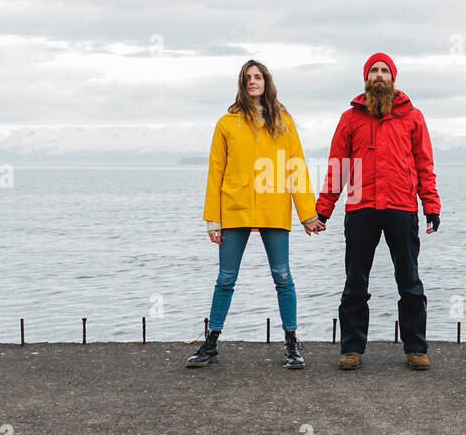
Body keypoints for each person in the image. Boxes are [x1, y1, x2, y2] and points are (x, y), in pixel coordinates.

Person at [188, 60, 325, 369]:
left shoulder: (284, 122)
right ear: (242, 83)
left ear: (266, 82)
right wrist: (213, 219)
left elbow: (296, 167)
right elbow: (216, 172)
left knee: (282, 276)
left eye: (258, 77)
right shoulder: (227, 123)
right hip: (233, 208)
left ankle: (291, 344)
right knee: (225, 278)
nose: (253, 82)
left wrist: (307, 214)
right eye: (248, 78)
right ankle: (211, 344)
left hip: (274, 208)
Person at [315, 52, 441, 370]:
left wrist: (431, 206)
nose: (379, 75)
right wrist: (323, 210)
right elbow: (337, 168)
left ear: (393, 78)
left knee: (409, 282)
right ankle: (352, 349)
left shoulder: (413, 117)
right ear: (366, 79)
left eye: (385, 70)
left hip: (401, 207)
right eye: (374, 71)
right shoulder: (350, 119)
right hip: (361, 208)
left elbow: (424, 164)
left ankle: (416, 348)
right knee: (355, 282)